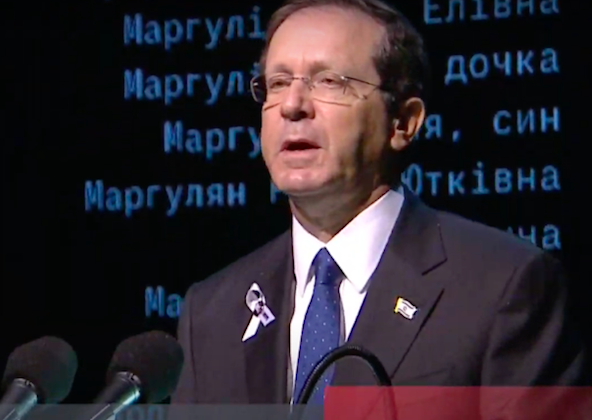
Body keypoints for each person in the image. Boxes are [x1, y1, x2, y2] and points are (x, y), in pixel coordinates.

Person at [171, 0, 587, 406]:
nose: (292, 106)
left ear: (403, 122)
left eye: (329, 81)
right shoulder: (210, 313)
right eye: (277, 83)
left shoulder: (503, 287)